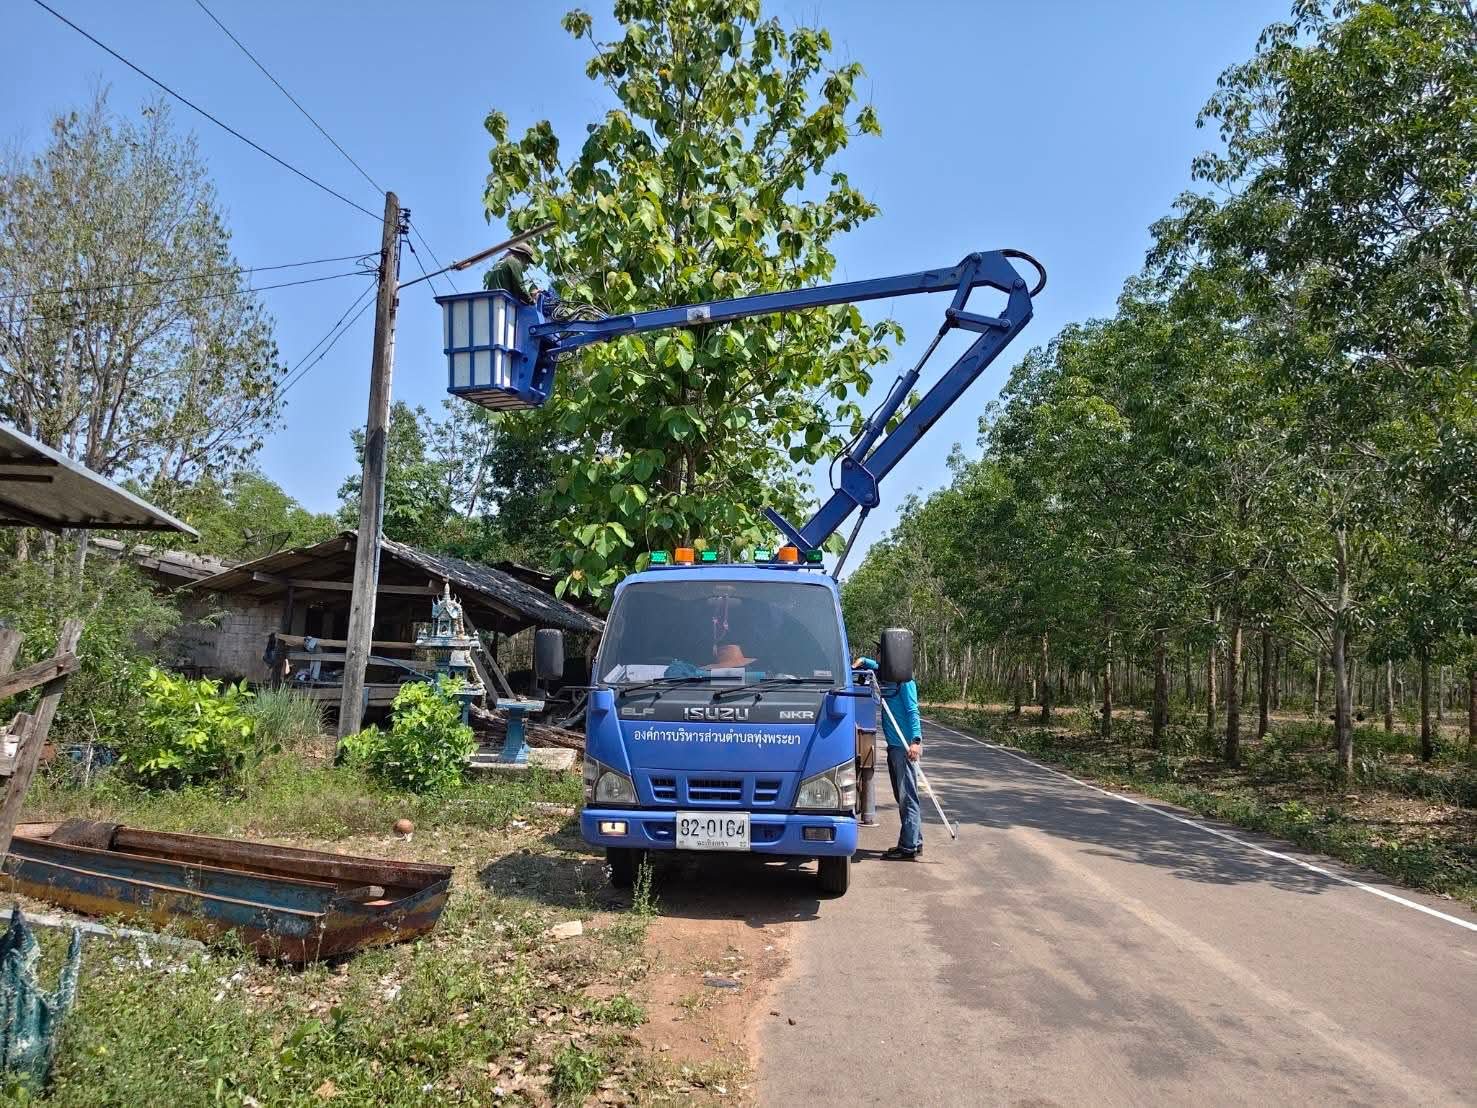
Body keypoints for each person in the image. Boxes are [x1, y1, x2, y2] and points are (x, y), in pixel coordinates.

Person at [853, 650, 922, 859]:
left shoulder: (905, 682)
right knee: (902, 795)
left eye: (882, 655)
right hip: (894, 746)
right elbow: (872, 665)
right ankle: (915, 840)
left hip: (904, 747)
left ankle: (908, 847)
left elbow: (913, 710)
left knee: (907, 797)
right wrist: (861, 662)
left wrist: (916, 741)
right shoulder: (888, 675)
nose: (879, 659)